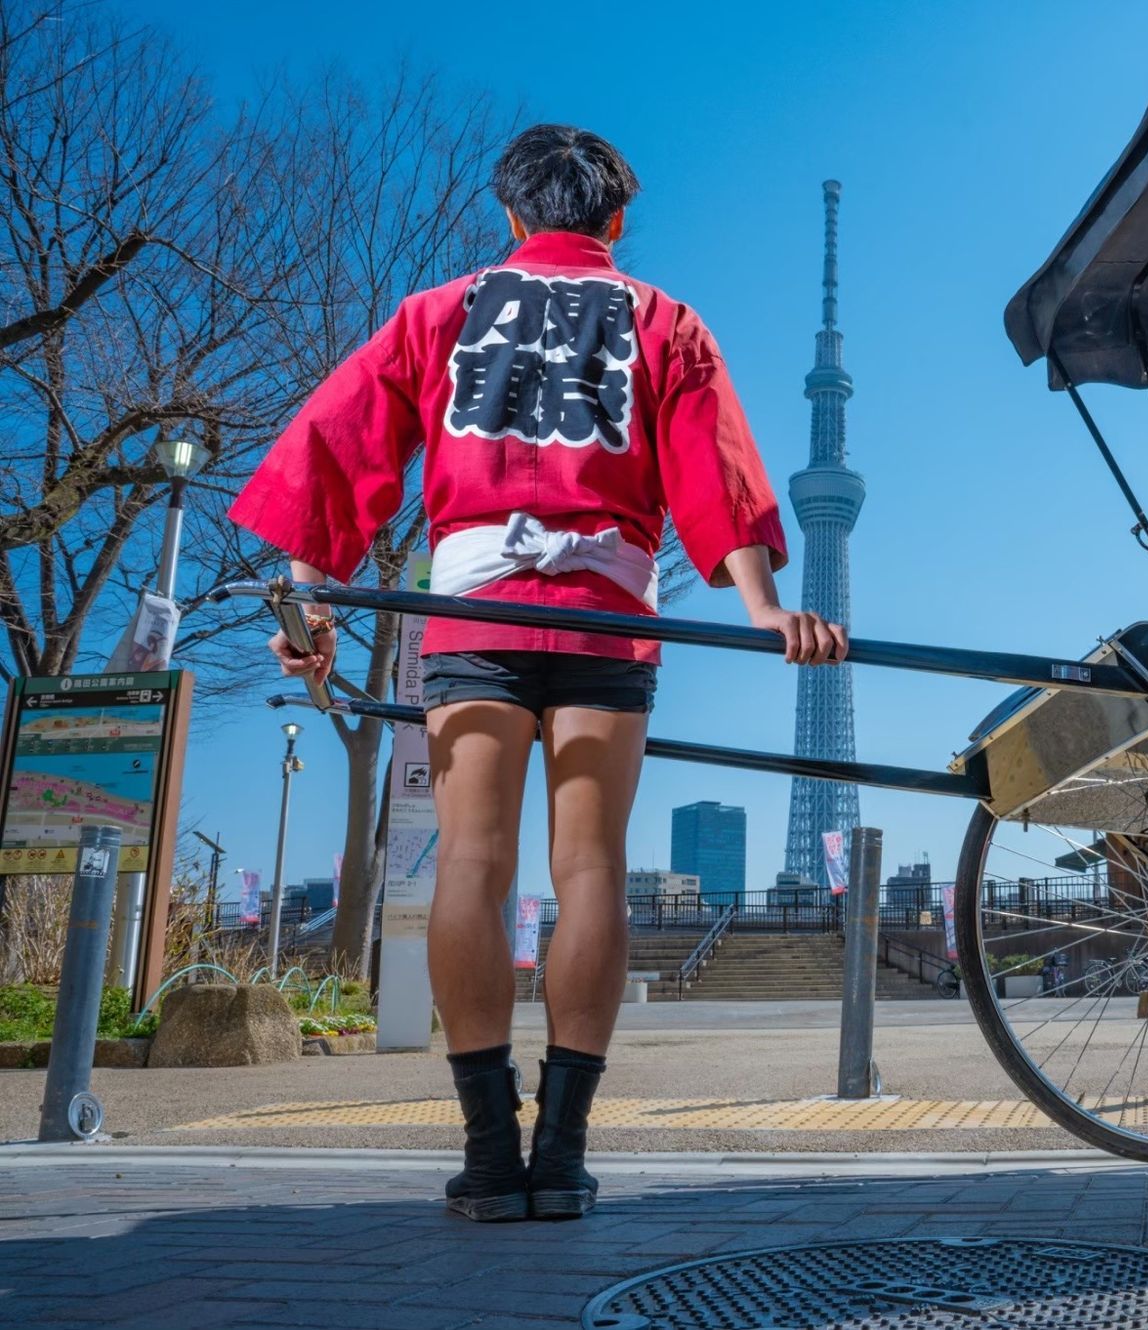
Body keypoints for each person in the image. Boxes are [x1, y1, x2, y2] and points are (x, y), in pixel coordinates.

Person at [230, 125, 846, 1222]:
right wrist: (763, 609)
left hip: (470, 606)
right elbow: (715, 467)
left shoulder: (438, 313)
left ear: (510, 218)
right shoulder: (663, 320)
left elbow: (337, 445)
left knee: (471, 858)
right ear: (614, 221)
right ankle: (560, 1153)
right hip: (607, 607)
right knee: (592, 867)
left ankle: (486, 1152)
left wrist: (309, 597)